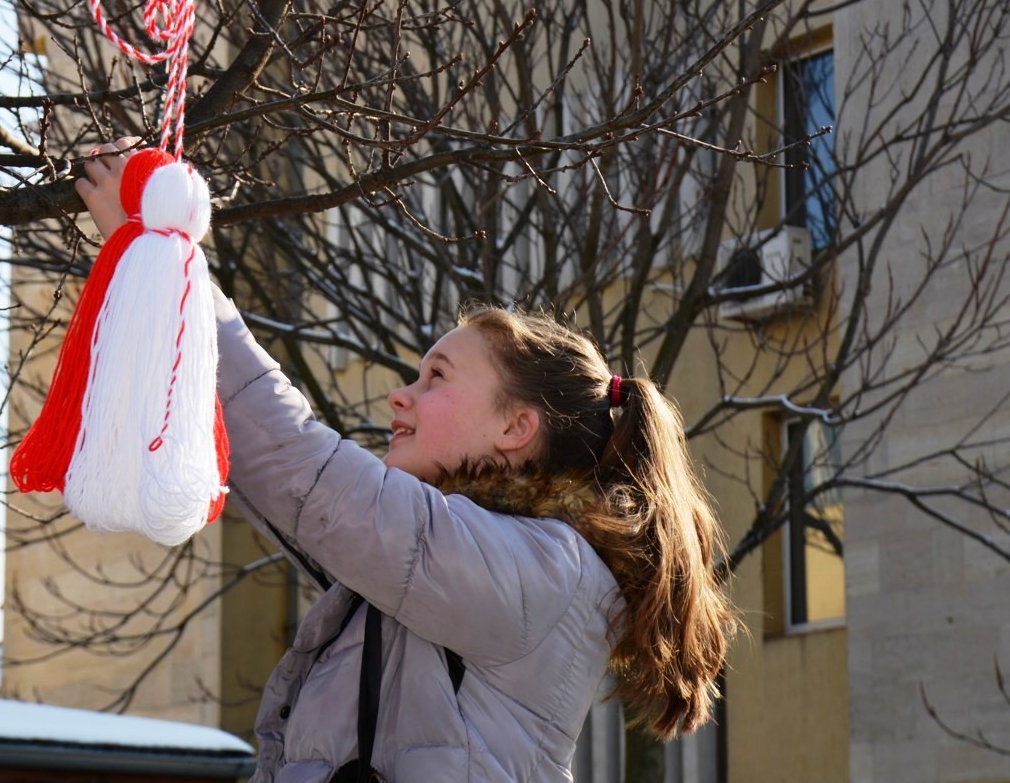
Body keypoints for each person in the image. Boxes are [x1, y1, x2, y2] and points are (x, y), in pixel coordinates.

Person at [76, 139, 737, 783]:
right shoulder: (451, 563)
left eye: (436, 377)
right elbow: (273, 472)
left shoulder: (539, 569)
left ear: (515, 426)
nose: (402, 393)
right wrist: (158, 274)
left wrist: (169, 266)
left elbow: (302, 468)